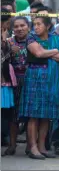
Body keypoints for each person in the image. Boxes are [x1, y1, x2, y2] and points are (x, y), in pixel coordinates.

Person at [19, 16, 59, 160]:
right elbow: (38, 53)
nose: (36, 27)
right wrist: (54, 51)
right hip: (35, 79)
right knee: (34, 115)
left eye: (39, 24)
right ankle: (32, 147)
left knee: (46, 115)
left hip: (52, 81)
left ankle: (42, 147)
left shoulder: (55, 38)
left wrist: (47, 53)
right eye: (34, 24)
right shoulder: (31, 38)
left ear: (47, 26)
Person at [3, 17, 30, 156]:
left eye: (22, 26)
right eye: (16, 26)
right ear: (12, 29)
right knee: (13, 114)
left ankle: (31, 146)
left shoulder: (34, 41)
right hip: (14, 81)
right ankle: (12, 145)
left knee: (31, 115)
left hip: (32, 81)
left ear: (28, 27)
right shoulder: (9, 42)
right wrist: (9, 52)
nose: (19, 29)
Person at [1, 13, 18, 156]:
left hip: (6, 80)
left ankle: (10, 143)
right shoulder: (5, 39)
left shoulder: (6, 38)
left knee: (8, 113)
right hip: (3, 79)